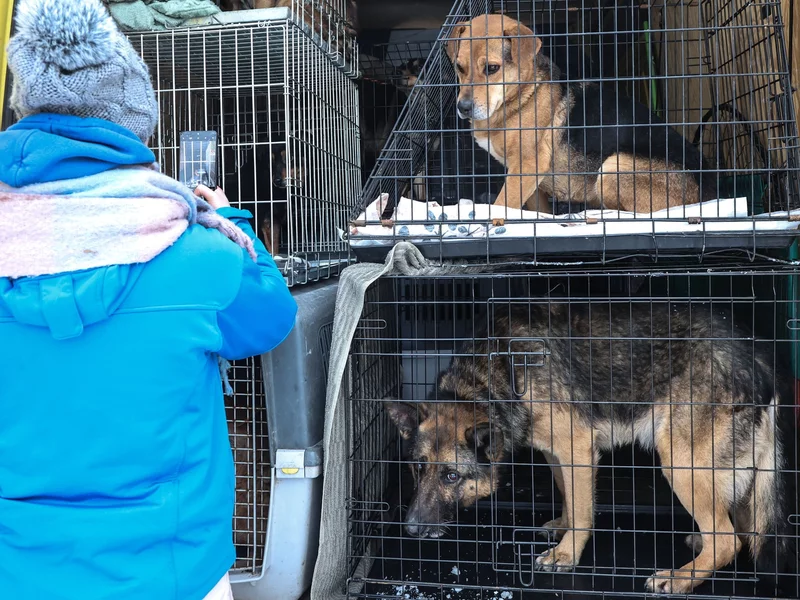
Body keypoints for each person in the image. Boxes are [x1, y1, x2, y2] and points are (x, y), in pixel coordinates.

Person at [0, 0, 298, 599]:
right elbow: (272, 317)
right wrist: (230, 219)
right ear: (136, 126)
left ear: (23, 114)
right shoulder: (200, 256)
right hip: (171, 571)